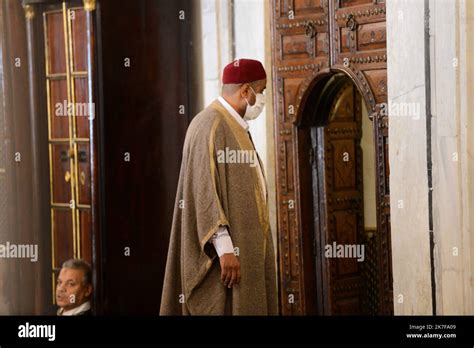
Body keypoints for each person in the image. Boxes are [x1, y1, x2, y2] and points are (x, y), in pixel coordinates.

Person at [160, 58, 278, 315]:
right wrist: (225, 249)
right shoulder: (209, 124)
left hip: (246, 248)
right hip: (226, 259)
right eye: (262, 91)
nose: (264, 98)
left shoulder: (234, 124)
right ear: (245, 91)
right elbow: (204, 191)